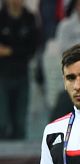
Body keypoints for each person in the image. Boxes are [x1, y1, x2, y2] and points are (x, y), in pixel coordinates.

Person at [0, 0, 39, 140]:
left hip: (22, 74)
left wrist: (10, 51)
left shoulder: (29, 18)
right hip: (2, 74)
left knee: (20, 122)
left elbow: (32, 48)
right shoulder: (2, 17)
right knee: (2, 121)